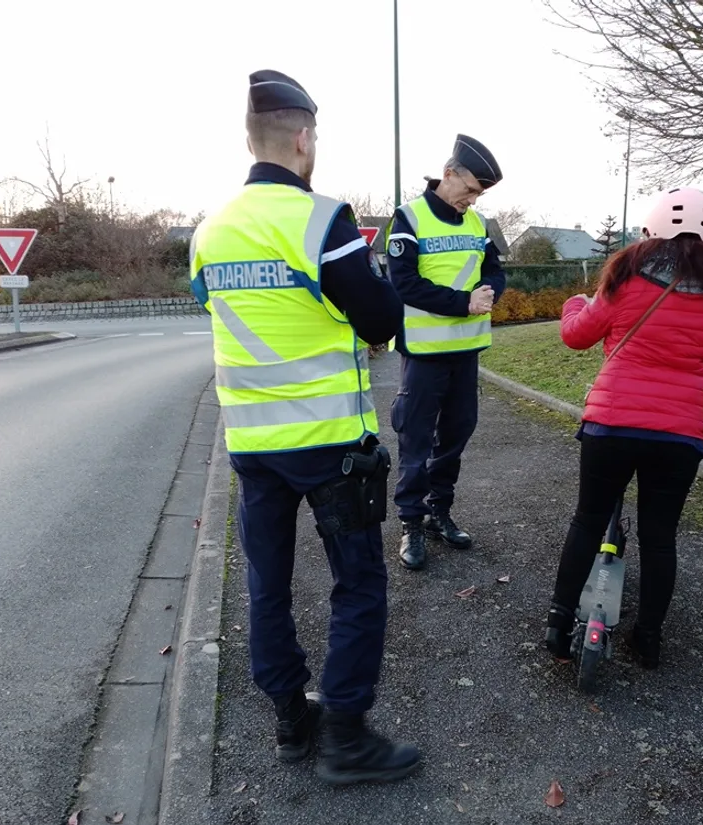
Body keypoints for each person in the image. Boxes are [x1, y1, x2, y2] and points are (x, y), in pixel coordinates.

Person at [190, 69, 420, 785]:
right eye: (312, 135)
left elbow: (223, 309)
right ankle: (346, 736)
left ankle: (294, 721)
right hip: (326, 445)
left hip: (252, 446)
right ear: (302, 137)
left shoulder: (210, 230)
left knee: (268, 585)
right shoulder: (322, 219)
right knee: (358, 583)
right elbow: (382, 316)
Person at [541, 187, 703, 669]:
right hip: (678, 434)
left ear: (650, 227)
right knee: (659, 535)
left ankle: (557, 622)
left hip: (612, 425)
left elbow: (575, 335)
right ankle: (647, 639)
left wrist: (574, 303)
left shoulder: (626, 276)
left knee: (589, 519)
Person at [385, 135, 507, 571]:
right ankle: (411, 523)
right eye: (470, 189)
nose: (472, 201)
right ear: (449, 173)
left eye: (480, 195)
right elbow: (403, 283)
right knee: (415, 441)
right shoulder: (408, 218)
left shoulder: (478, 224)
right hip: (423, 354)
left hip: (466, 351)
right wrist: (463, 304)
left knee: (455, 436)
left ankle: (439, 512)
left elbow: (494, 267)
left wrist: (492, 290)